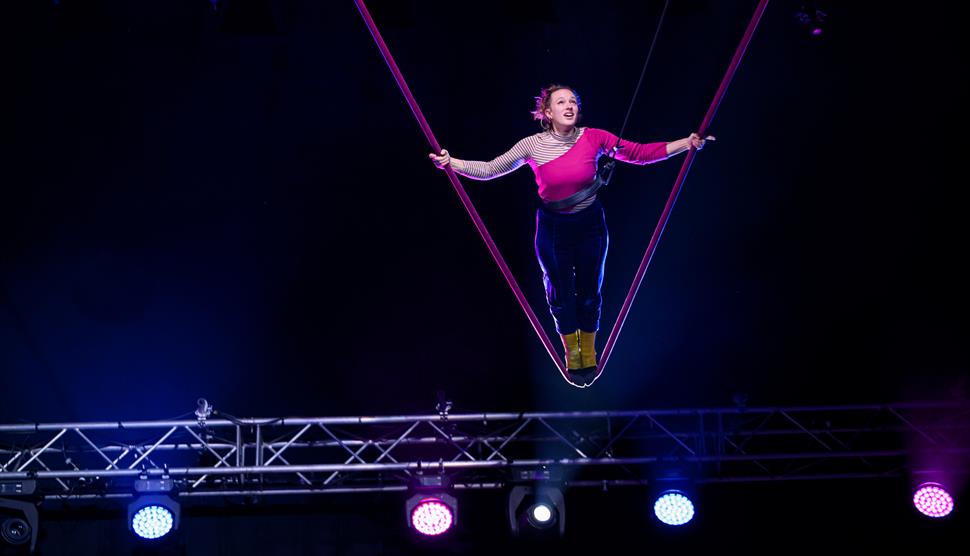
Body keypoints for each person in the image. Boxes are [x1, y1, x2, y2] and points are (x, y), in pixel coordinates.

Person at [429, 84, 712, 386]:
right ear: (547, 112)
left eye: (574, 101)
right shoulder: (532, 145)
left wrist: (687, 143)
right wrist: (452, 162)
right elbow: (488, 169)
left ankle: (587, 353)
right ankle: (571, 354)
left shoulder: (594, 137)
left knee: (590, 294)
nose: (569, 106)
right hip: (553, 229)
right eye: (561, 102)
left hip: (590, 225)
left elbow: (640, 153)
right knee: (561, 297)